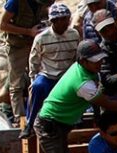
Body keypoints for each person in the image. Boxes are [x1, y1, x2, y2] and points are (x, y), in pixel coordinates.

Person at [20, 3, 79, 139]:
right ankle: (30, 124)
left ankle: (77, 119)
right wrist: (33, 78)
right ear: (54, 21)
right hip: (48, 75)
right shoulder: (41, 38)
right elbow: (34, 60)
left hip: (67, 75)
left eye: (66, 18)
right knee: (37, 88)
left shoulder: (74, 34)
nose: (65, 22)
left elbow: (77, 57)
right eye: (61, 19)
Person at [0, 0, 50, 124]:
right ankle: (20, 119)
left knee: (39, 79)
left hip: (36, 44)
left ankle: (39, 115)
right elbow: (2, 25)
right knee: (17, 84)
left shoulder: (44, 2)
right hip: (18, 46)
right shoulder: (15, 2)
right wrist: (28, 32)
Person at [92, 8, 117, 96]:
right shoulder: (103, 50)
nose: (110, 32)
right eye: (104, 31)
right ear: (98, 33)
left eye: (111, 26)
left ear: (116, 22)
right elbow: (106, 79)